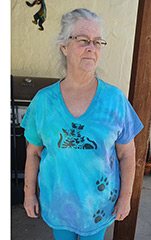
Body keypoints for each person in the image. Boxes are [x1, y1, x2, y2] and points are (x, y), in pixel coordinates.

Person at [21, 8, 143, 240]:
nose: (91, 48)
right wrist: (29, 194)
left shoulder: (115, 99)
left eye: (97, 42)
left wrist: (125, 198)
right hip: (59, 204)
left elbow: (127, 153)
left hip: (99, 207)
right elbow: (33, 153)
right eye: (83, 40)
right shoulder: (44, 101)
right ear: (64, 47)